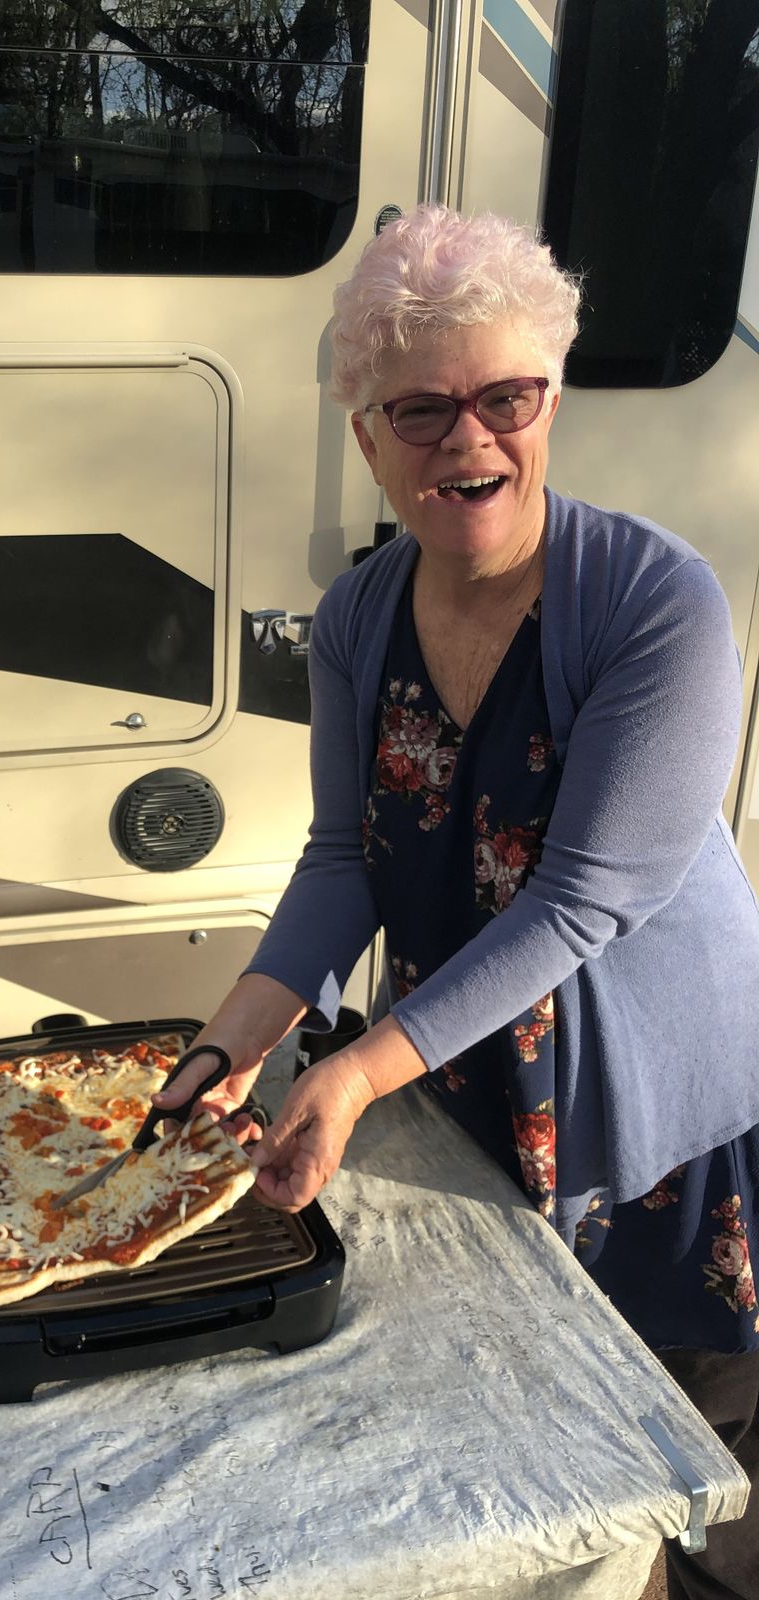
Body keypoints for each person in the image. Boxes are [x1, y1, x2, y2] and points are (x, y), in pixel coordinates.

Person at [155, 204, 759, 1600]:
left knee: (669, 1482)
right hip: (463, 1096)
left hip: (647, 1129)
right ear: (365, 435)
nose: (467, 441)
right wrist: (232, 1035)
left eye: (505, 397)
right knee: (515, 1476)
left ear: (550, 397)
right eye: (420, 409)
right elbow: (340, 861)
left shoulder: (653, 601)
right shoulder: (359, 615)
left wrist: (356, 1069)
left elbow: (582, 905)